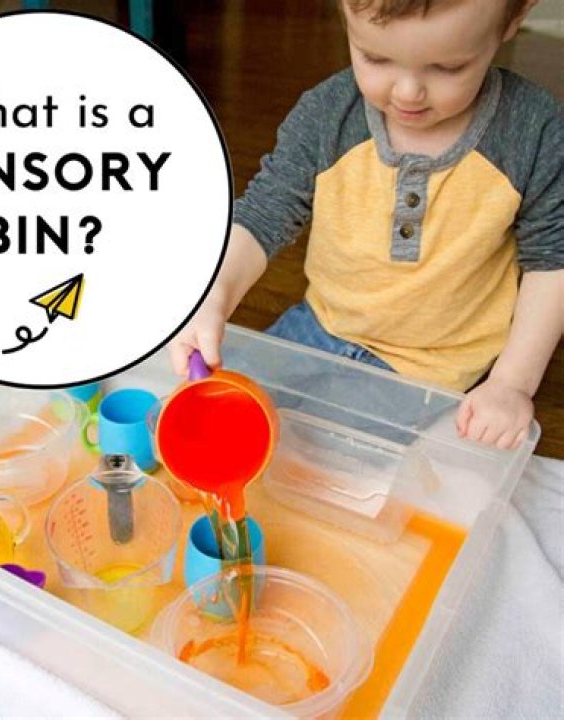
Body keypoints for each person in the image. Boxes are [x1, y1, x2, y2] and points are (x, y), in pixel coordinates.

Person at [168, 0, 563, 450]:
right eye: (375, 58)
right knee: (207, 417)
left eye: (448, 67)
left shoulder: (535, 132)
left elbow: (552, 261)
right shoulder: (327, 113)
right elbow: (263, 212)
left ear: (514, 18)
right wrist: (214, 294)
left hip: (432, 364)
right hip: (320, 326)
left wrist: (511, 383)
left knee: (322, 456)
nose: (408, 92)